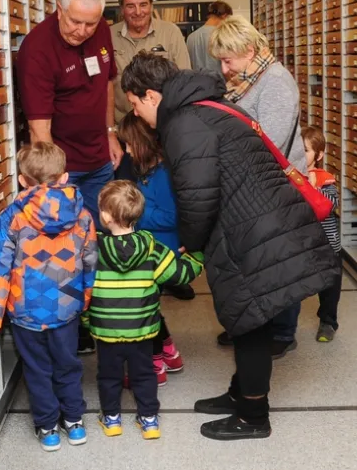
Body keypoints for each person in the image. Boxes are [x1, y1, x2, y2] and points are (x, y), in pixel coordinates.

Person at [120, 52, 340, 440]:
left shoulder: (183, 123)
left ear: (152, 96)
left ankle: (253, 416)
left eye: (135, 104)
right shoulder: (203, 106)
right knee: (248, 321)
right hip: (256, 222)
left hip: (252, 230)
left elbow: (198, 196)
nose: (135, 113)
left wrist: (189, 244)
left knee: (251, 322)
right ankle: (241, 393)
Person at [16, 0, 123, 354]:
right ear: (59, 10)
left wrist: (110, 132)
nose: (82, 31)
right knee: (64, 251)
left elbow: (108, 83)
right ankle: (71, 327)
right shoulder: (37, 50)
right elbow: (38, 128)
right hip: (64, 169)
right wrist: (48, 185)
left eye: (90, 24)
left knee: (103, 242)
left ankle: (105, 319)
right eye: (74, 21)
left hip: (98, 160)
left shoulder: (101, 31)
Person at [0, 142, 98, 452]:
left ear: (22, 180)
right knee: (68, 364)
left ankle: (47, 427)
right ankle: (74, 421)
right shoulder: (83, 215)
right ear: (64, 176)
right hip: (66, 306)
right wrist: (84, 298)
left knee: (37, 368)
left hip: (26, 309)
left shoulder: (13, 218)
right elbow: (89, 261)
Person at [209, 15, 306, 358]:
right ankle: (251, 327)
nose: (224, 68)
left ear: (248, 51)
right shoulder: (249, 79)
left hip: (274, 187)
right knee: (252, 262)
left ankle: (282, 331)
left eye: (228, 59)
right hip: (251, 187)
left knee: (277, 261)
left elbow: (272, 144)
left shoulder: (276, 81)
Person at [84, 180, 203, 440]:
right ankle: (149, 419)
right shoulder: (152, 248)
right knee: (144, 374)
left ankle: (112, 419)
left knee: (108, 376)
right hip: (144, 329)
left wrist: (86, 320)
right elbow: (180, 275)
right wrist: (197, 257)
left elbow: (84, 289)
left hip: (106, 331)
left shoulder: (93, 251)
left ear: (104, 216)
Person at [111, 0, 194, 301]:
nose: (137, 12)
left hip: (161, 126)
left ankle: (172, 269)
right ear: (122, 8)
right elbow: (106, 87)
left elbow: (182, 79)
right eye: (130, 6)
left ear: (151, 6)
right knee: (131, 189)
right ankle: (138, 263)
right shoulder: (109, 36)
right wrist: (111, 133)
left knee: (164, 192)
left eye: (143, 5)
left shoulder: (170, 33)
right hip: (126, 128)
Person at [118, 112, 185, 386]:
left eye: (129, 145)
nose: (126, 151)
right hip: (151, 250)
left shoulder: (163, 175)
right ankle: (169, 353)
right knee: (151, 305)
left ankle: (153, 366)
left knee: (145, 309)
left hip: (160, 253)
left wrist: (138, 212)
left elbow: (172, 217)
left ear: (142, 144)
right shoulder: (148, 173)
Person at [302, 126, 342, 342]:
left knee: (330, 285)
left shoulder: (326, 180)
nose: (302, 155)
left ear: (319, 155)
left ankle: (328, 322)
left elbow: (328, 206)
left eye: (306, 151)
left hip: (327, 246)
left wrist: (311, 189)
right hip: (302, 244)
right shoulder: (292, 177)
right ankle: (284, 327)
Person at [186, 0, 233, 78]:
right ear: (225, 16)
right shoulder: (222, 36)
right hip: (219, 85)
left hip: (197, 84)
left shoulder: (190, 37)